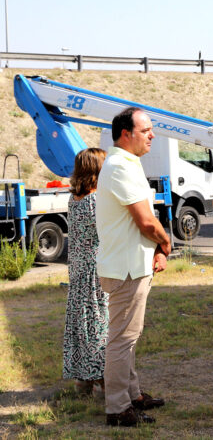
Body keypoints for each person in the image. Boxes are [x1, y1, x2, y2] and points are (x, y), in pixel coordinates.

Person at [96, 107, 171, 427]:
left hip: (128, 264)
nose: (152, 135)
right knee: (122, 339)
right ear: (126, 134)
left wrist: (155, 248)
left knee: (128, 335)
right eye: (146, 130)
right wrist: (166, 242)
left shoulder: (124, 163)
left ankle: (132, 394)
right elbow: (145, 220)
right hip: (126, 268)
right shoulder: (120, 166)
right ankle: (117, 407)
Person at [63, 148, 108, 396]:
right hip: (95, 269)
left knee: (82, 323)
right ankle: (102, 376)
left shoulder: (74, 198)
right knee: (99, 323)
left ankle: (83, 379)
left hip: (78, 269)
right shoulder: (95, 200)